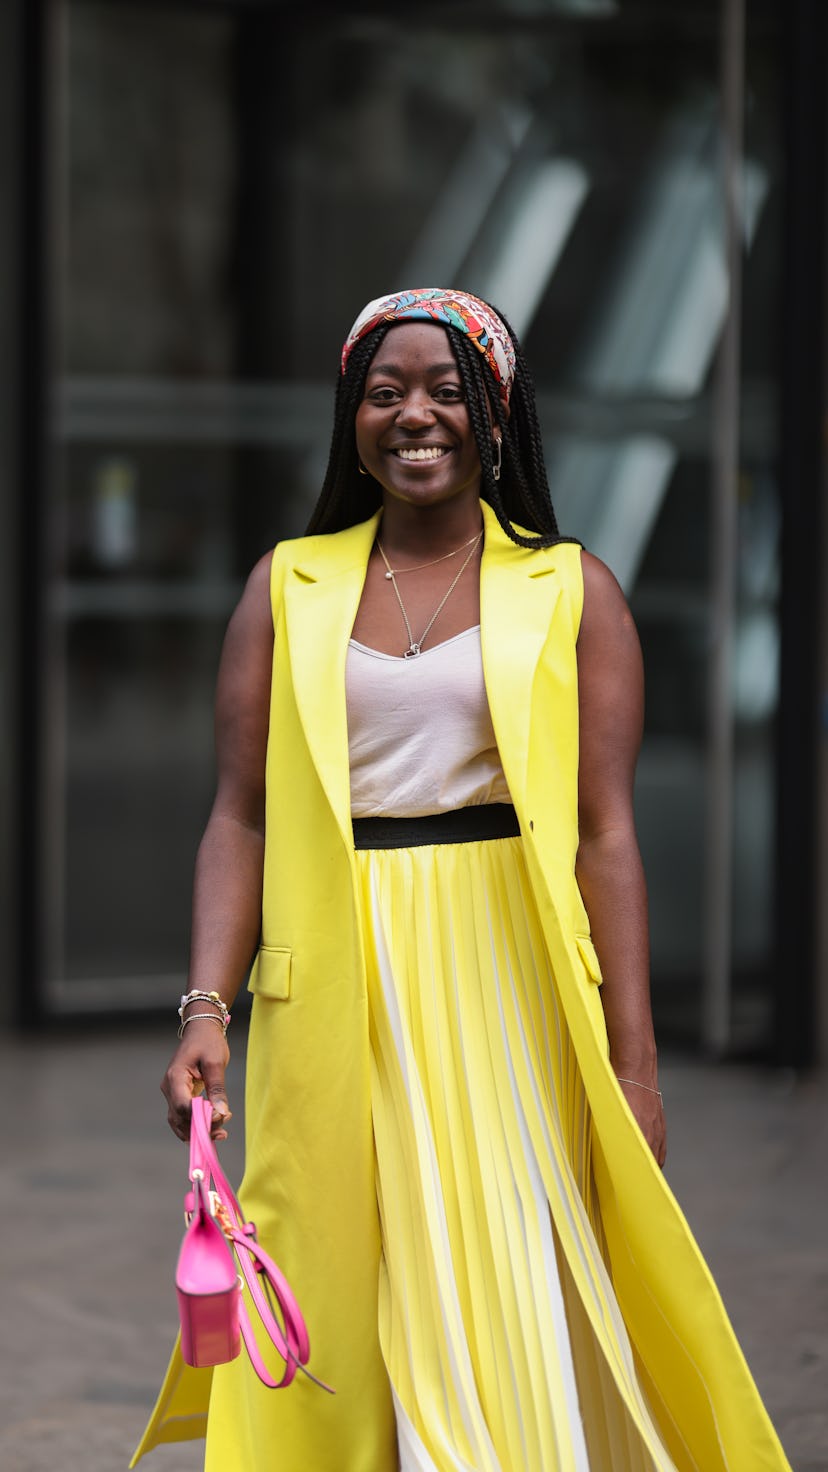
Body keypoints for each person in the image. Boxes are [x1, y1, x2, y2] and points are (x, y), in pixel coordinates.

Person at [133, 288, 791, 1472]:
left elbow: (608, 837)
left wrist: (633, 1069)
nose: (415, 415)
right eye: (385, 394)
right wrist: (203, 1008)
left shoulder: (569, 589)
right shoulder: (287, 589)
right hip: (332, 980)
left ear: (495, 415)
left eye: (446, 390)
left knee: (500, 1265)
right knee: (334, 1272)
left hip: (510, 976)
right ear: (354, 418)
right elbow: (240, 815)